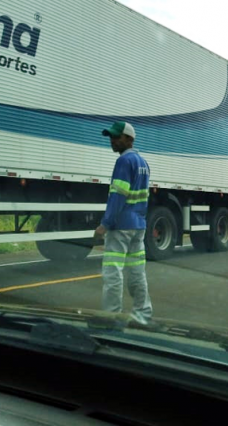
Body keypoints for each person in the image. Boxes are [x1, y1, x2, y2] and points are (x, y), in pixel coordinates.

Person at [94, 121, 153, 325]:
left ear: (129, 139)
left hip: (120, 226)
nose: (112, 140)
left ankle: (112, 317)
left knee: (113, 272)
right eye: (111, 136)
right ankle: (142, 314)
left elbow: (118, 195)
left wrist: (105, 223)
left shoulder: (123, 162)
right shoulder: (143, 163)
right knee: (137, 271)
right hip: (138, 226)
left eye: (117, 137)